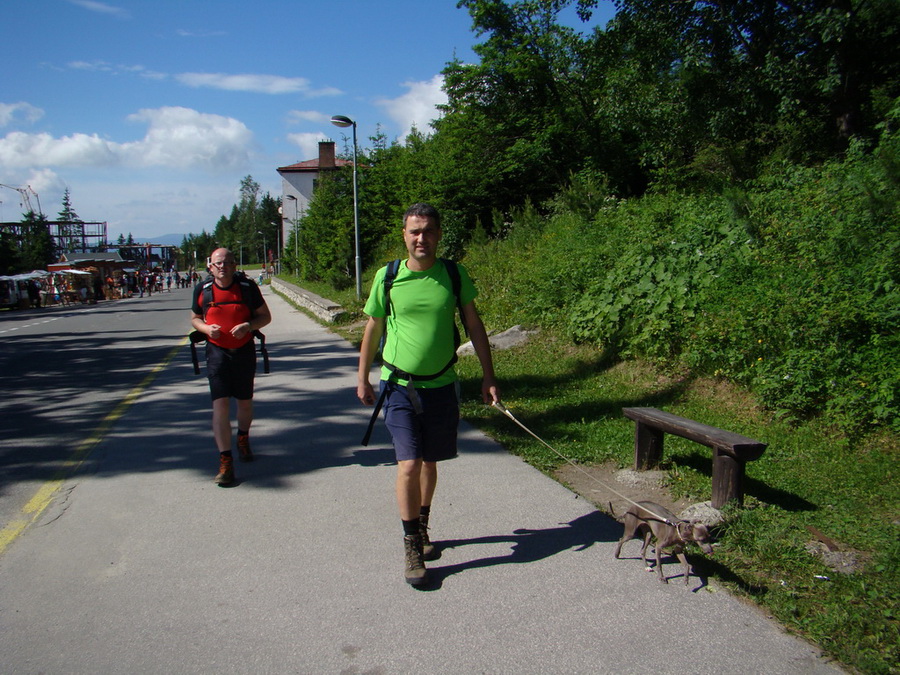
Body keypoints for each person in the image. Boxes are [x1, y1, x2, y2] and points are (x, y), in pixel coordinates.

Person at [357, 203, 500, 586]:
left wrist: (488, 376)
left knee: (430, 462)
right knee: (408, 463)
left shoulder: (453, 274)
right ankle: (411, 546)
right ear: (404, 235)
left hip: (441, 385)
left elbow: (474, 324)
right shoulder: (387, 277)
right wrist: (363, 377)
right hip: (399, 386)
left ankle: (422, 526)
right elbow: (373, 327)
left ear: (439, 234)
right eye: (414, 231)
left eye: (428, 231)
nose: (421, 238)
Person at [191, 248, 271, 486]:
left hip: (244, 351)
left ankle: (243, 438)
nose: (222, 266)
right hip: (217, 353)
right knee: (220, 404)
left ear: (234, 266)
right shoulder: (203, 290)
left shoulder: (247, 288)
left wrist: (247, 325)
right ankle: (226, 462)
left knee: (244, 403)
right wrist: (205, 329)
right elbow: (194, 318)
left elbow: (265, 317)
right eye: (218, 263)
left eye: (227, 262)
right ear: (210, 266)